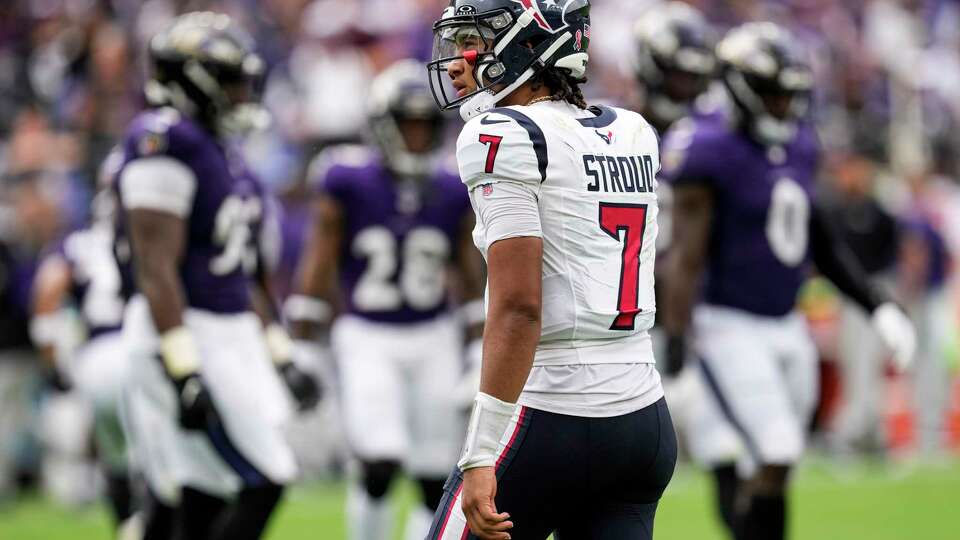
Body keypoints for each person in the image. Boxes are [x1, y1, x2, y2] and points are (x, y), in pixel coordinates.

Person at [425, 0, 676, 538]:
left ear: (526, 45)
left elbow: (519, 307)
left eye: (474, 41)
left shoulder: (504, 135)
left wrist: (481, 450)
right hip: (641, 419)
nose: (455, 62)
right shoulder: (632, 130)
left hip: (552, 410)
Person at [660, 22, 916, 540]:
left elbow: (818, 237)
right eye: (772, 94)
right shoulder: (708, 145)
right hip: (727, 322)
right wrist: (675, 348)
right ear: (739, 88)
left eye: (789, 94)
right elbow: (684, 257)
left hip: (787, 321)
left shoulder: (798, 142)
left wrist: (876, 305)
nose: (783, 106)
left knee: (776, 464)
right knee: (774, 451)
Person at [115, 12, 316, 540]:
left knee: (205, 495)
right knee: (265, 477)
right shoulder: (163, 139)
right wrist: (184, 368)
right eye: (230, 79)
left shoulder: (223, 154)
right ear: (193, 78)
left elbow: (244, 273)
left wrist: (280, 354)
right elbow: (155, 265)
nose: (240, 92)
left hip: (227, 331)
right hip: (184, 331)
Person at [288, 59, 485, 540]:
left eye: (424, 125)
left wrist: (479, 344)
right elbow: (320, 261)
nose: (417, 135)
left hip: (432, 333)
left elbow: (470, 271)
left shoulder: (450, 185)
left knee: (430, 477)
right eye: (407, 124)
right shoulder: (346, 178)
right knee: (379, 462)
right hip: (367, 333)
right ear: (383, 125)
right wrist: (305, 345)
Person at [29, 149, 134, 530]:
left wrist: (52, 359)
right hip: (135, 351)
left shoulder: (77, 242)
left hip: (95, 358)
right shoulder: (147, 231)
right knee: (159, 460)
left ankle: (127, 528)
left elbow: (47, 292)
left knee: (118, 458)